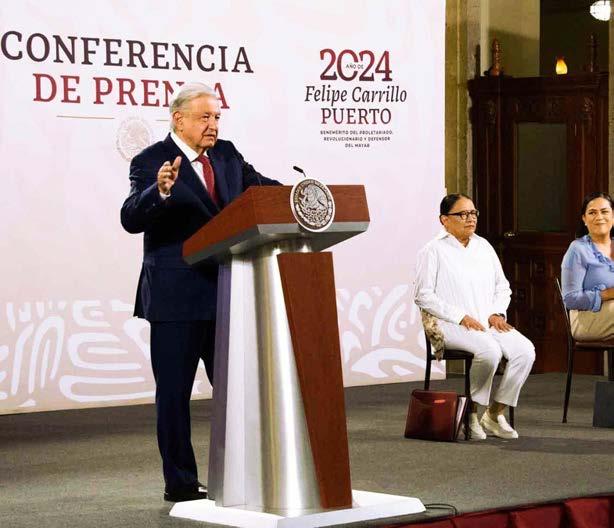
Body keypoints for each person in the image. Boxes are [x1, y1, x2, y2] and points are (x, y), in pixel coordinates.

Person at [120, 83, 280, 502]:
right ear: (179, 120)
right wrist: (159, 191)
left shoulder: (226, 154)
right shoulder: (150, 161)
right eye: (205, 117)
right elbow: (131, 217)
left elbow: (262, 188)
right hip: (176, 298)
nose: (213, 125)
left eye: (217, 117)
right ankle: (181, 482)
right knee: (174, 395)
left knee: (238, 390)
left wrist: (302, 196)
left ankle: (246, 474)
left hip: (228, 291)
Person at [414, 193, 535, 440]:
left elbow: (503, 287)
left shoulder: (484, 246)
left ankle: (494, 413)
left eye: (473, 213)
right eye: (462, 214)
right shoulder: (432, 250)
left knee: (525, 351)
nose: (470, 218)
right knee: (490, 351)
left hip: (487, 322)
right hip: (451, 324)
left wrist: (496, 312)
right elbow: (422, 295)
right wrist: (460, 317)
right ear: (444, 220)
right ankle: (471, 413)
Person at [561, 192, 614, 341]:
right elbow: (570, 299)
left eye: (604, 211)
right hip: (585, 319)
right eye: (592, 213)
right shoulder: (577, 249)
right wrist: (608, 294)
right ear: (584, 219)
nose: (599, 217)